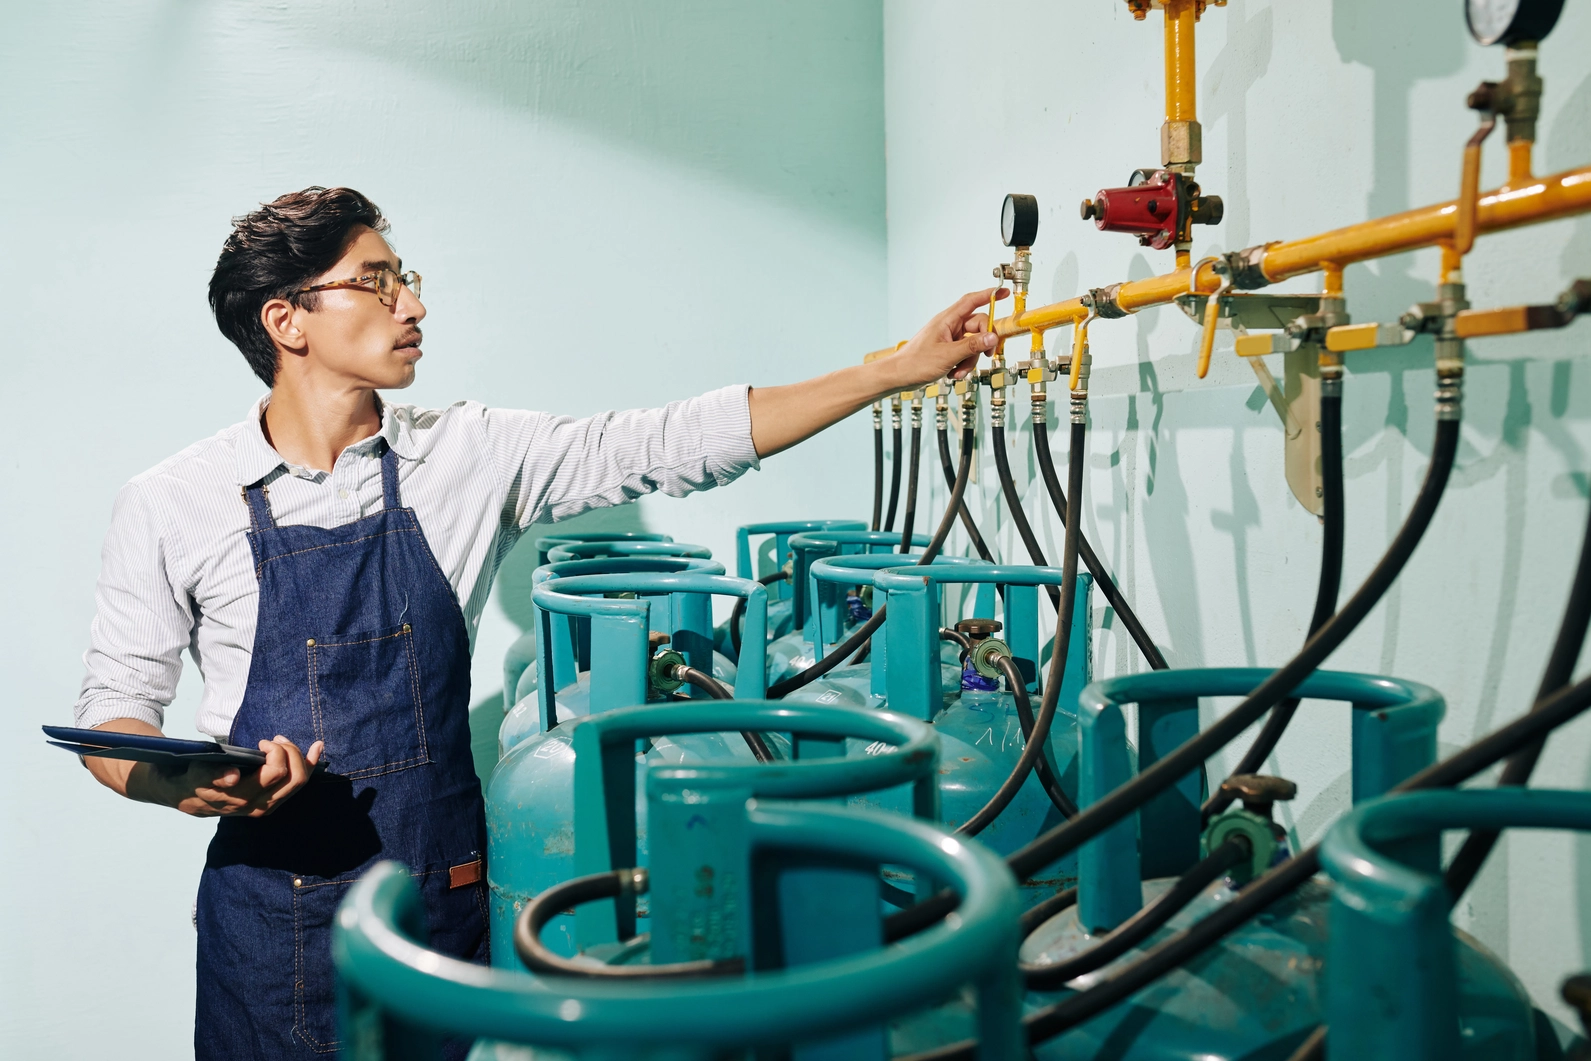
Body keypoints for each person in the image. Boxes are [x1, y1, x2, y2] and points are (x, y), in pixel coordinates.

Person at [71, 186, 1003, 1059]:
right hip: (271, 926)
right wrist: (181, 786)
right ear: (288, 320)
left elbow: (670, 442)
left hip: (442, 900)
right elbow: (113, 714)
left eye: (408, 280)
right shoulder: (172, 501)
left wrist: (896, 370)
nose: (413, 306)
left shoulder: (466, 455)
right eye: (377, 281)